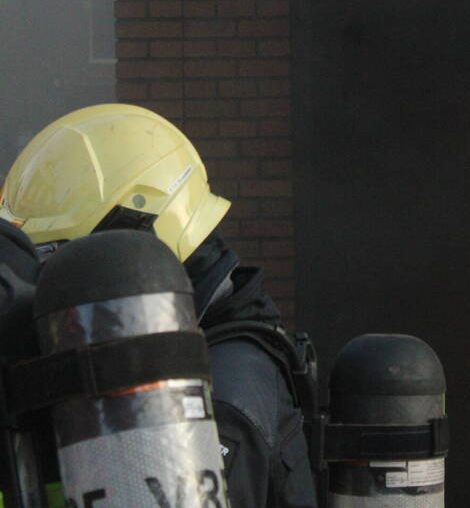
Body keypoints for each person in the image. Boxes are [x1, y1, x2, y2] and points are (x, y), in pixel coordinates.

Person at [0, 104, 317, 508]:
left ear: (137, 235)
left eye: (62, 257)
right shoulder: (185, 358)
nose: (50, 287)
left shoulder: (216, 398)